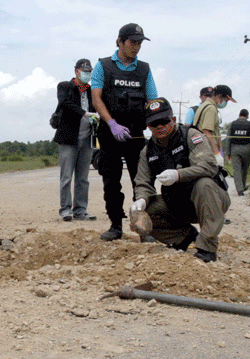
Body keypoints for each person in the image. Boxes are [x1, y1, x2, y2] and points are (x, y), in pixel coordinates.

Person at [131, 98, 231, 262]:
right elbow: (142, 182)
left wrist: (179, 175)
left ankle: (207, 247)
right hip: (177, 203)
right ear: (148, 127)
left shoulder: (190, 136)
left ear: (173, 120)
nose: (160, 127)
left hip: (209, 199)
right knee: (146, 210)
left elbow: (209, 166)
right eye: (154, 124)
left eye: (164, 121)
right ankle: (185, 238)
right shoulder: (147, 151)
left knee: (204, 184)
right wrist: (141, 199)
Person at [91, 23, 158, 241]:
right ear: (119, 42)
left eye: (139, 43)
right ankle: (115, 225)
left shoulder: (144, 69)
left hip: (136, 135)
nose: (136, 47)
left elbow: (152, 100)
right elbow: (96, 98)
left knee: (141, 182)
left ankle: (143, 229)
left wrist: (155, 125)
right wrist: (111, 123)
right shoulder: (103, 66)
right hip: (110, 134)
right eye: (132, 42)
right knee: (111, 181)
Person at [53, 58, 97, 222]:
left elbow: (96, 107)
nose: (87, 74)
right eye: (84, 71)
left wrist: (95, 118)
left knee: (83, 177)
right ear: (76, 71)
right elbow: (64, 103)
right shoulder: (65, 86)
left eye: (89, 72)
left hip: (86, 139)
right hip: (68, 138)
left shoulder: (90, 91)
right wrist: (83, 113)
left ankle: (80, 209)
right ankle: (65, 209)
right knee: (66, 177)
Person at [192, 84, 236, 168]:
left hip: (201, 148)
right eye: (225, 100)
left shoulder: (205, 105)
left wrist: (220, 149)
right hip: (206, 150)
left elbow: (215, 131)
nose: (225, 103)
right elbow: (207, 131)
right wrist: (216, 153)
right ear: (219, 96)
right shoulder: (211, 108)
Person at [224, 109, 250, 196]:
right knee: (244, 168)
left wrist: (228, 152)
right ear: (247, 116)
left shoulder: (232, 124)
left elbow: (228, 139)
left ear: (239, 115)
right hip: (246, 149)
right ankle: (243, 185)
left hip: (235, 149)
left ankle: (239, 189)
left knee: (236, 169)